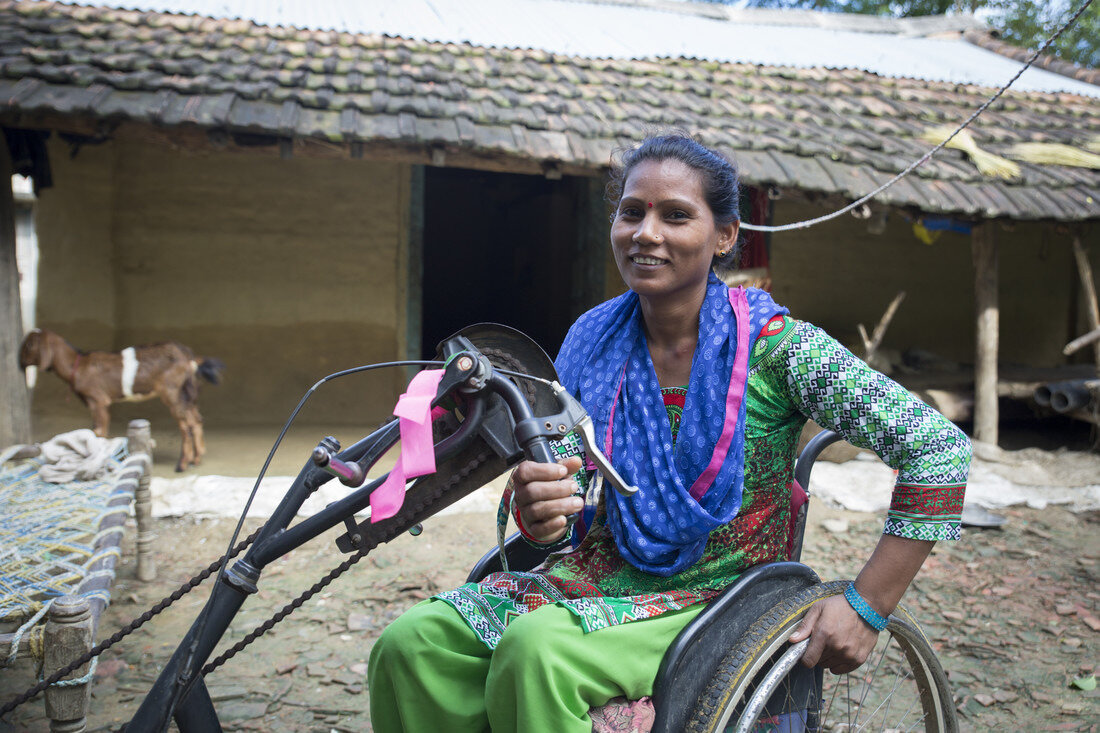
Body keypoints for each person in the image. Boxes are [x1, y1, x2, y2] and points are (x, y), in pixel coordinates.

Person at [367, 133, 971, 731]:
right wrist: (540, 508)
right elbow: (559, 486)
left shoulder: (777, 349)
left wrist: (868, 605)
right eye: (632, 212)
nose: (646, 233)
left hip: (723, 596)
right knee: (410, 646)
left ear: (724, 235)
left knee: (536, 654)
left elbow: (938, 450)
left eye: (676, 216)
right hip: (598, 569)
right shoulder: (591, 340)